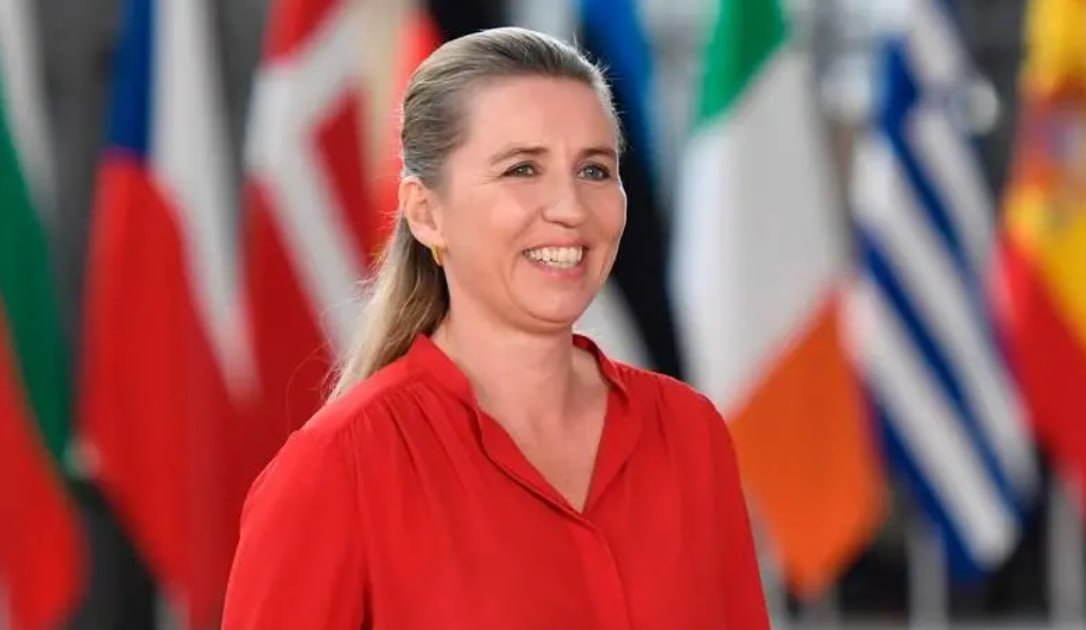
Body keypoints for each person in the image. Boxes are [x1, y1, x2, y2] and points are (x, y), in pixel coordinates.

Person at [221, 26, 769, 630]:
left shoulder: (689, 434)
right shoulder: (336, 470)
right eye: (522, 169)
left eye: (594, 170)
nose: (570, 208)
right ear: (426, 214)